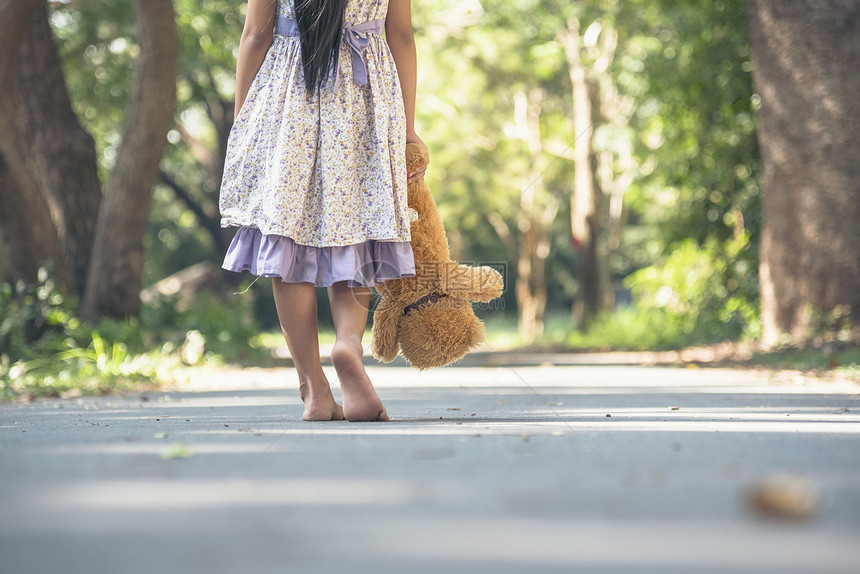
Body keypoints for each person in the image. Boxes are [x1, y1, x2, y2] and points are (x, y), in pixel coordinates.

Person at [219, 0, 427, 422]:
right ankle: (348, 344)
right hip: (367, 96)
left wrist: (243, 121)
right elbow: (401, 35)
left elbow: (256, 37)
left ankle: (314, 388)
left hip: (289, 97)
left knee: (287, 237)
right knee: (358, 224)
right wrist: (407, 129)